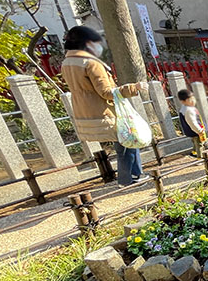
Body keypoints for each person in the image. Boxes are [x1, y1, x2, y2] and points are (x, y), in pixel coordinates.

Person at [60, 26, 149, 187]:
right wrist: (134, 87)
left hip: (85, 112)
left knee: (128, 142)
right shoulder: (91, 63)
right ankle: (127, 179)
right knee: (126, 145)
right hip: (105, 112)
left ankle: (137, 174)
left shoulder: (67, 62)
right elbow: (107, 92)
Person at [177, 88, 207, 158]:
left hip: (192, 130)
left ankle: (194, 152)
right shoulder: (188, 110)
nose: (193, 101)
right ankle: (200, 157)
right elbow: (192, 122)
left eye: (193, 98)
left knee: (195, 142)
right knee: (199, 144)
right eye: (190, 100)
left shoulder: (185, 108)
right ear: (183, 101)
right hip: (195, 131)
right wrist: (199, 131)